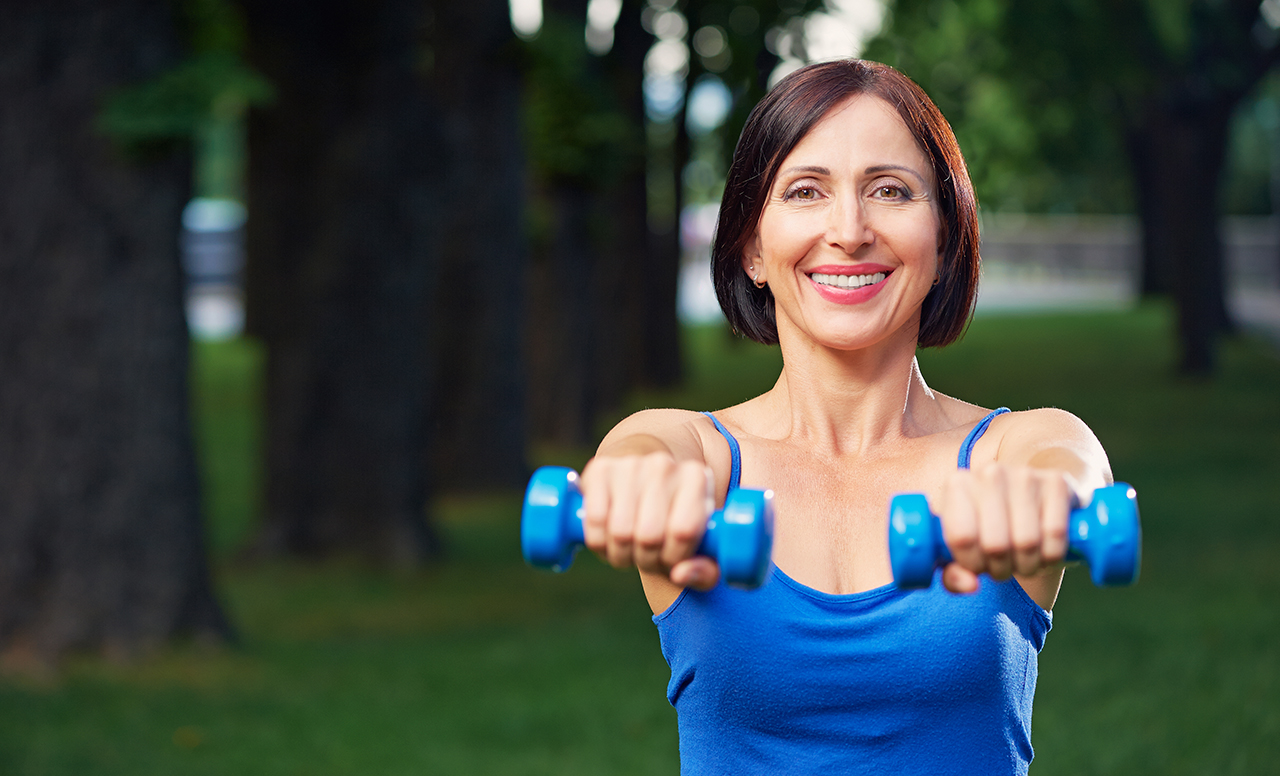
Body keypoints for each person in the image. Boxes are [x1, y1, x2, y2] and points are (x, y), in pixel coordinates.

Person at [577, 59, 1112, 773]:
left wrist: (1045, 497)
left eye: (890, 190)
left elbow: (1070, 469)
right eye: (805, 191)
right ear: (751, 248)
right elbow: (637, 455)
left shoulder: (1013, 449)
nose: (850, 230)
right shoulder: (693, 451)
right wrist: (637, 489)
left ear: (945, 241)